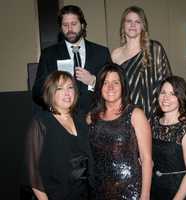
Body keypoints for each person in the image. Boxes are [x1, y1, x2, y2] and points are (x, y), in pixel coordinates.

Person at [87, 64, 152, 200]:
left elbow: (146, 160)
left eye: (115, 82)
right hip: (100, 190)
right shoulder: (91, 117)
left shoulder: (135, 114)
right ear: (99, 87)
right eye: (105, 83)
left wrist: (145, 195)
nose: (110, 87)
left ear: (123, 86)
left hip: (131, 189)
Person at [25, 71, 93, 200]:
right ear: (51, 93)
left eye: (70, 87)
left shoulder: (81, 118)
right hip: (56, 195)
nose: (67, 93)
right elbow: (33, 172)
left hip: (85, 194)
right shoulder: (41, 122)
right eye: (60, 88)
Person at [32, 5, 111, 114]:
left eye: (74, 24)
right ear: (60, 27)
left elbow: (114, 87)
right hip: (61, 120)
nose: (69, 29)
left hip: (96, 118)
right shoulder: (49, 54)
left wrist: (93, 81)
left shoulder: (101, 52)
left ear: (82, 25)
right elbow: (37, 92)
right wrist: (56, 92)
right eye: (65, 25)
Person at [111, 6, 172, 121]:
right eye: (129, 21)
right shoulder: (115, 54)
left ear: (143, 26)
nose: (133, 25)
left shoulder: (155, 48)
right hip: (127, 115)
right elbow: (113, 87)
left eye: (137, 22)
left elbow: (168, 82)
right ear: (123, 26)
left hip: (155, 115)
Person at [151, 75, 186, 200]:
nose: (166, 98)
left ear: (180, 98)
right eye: (163, 92)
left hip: (180, 191)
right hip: (155, 189)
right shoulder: (153, 123)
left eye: (172, 94)